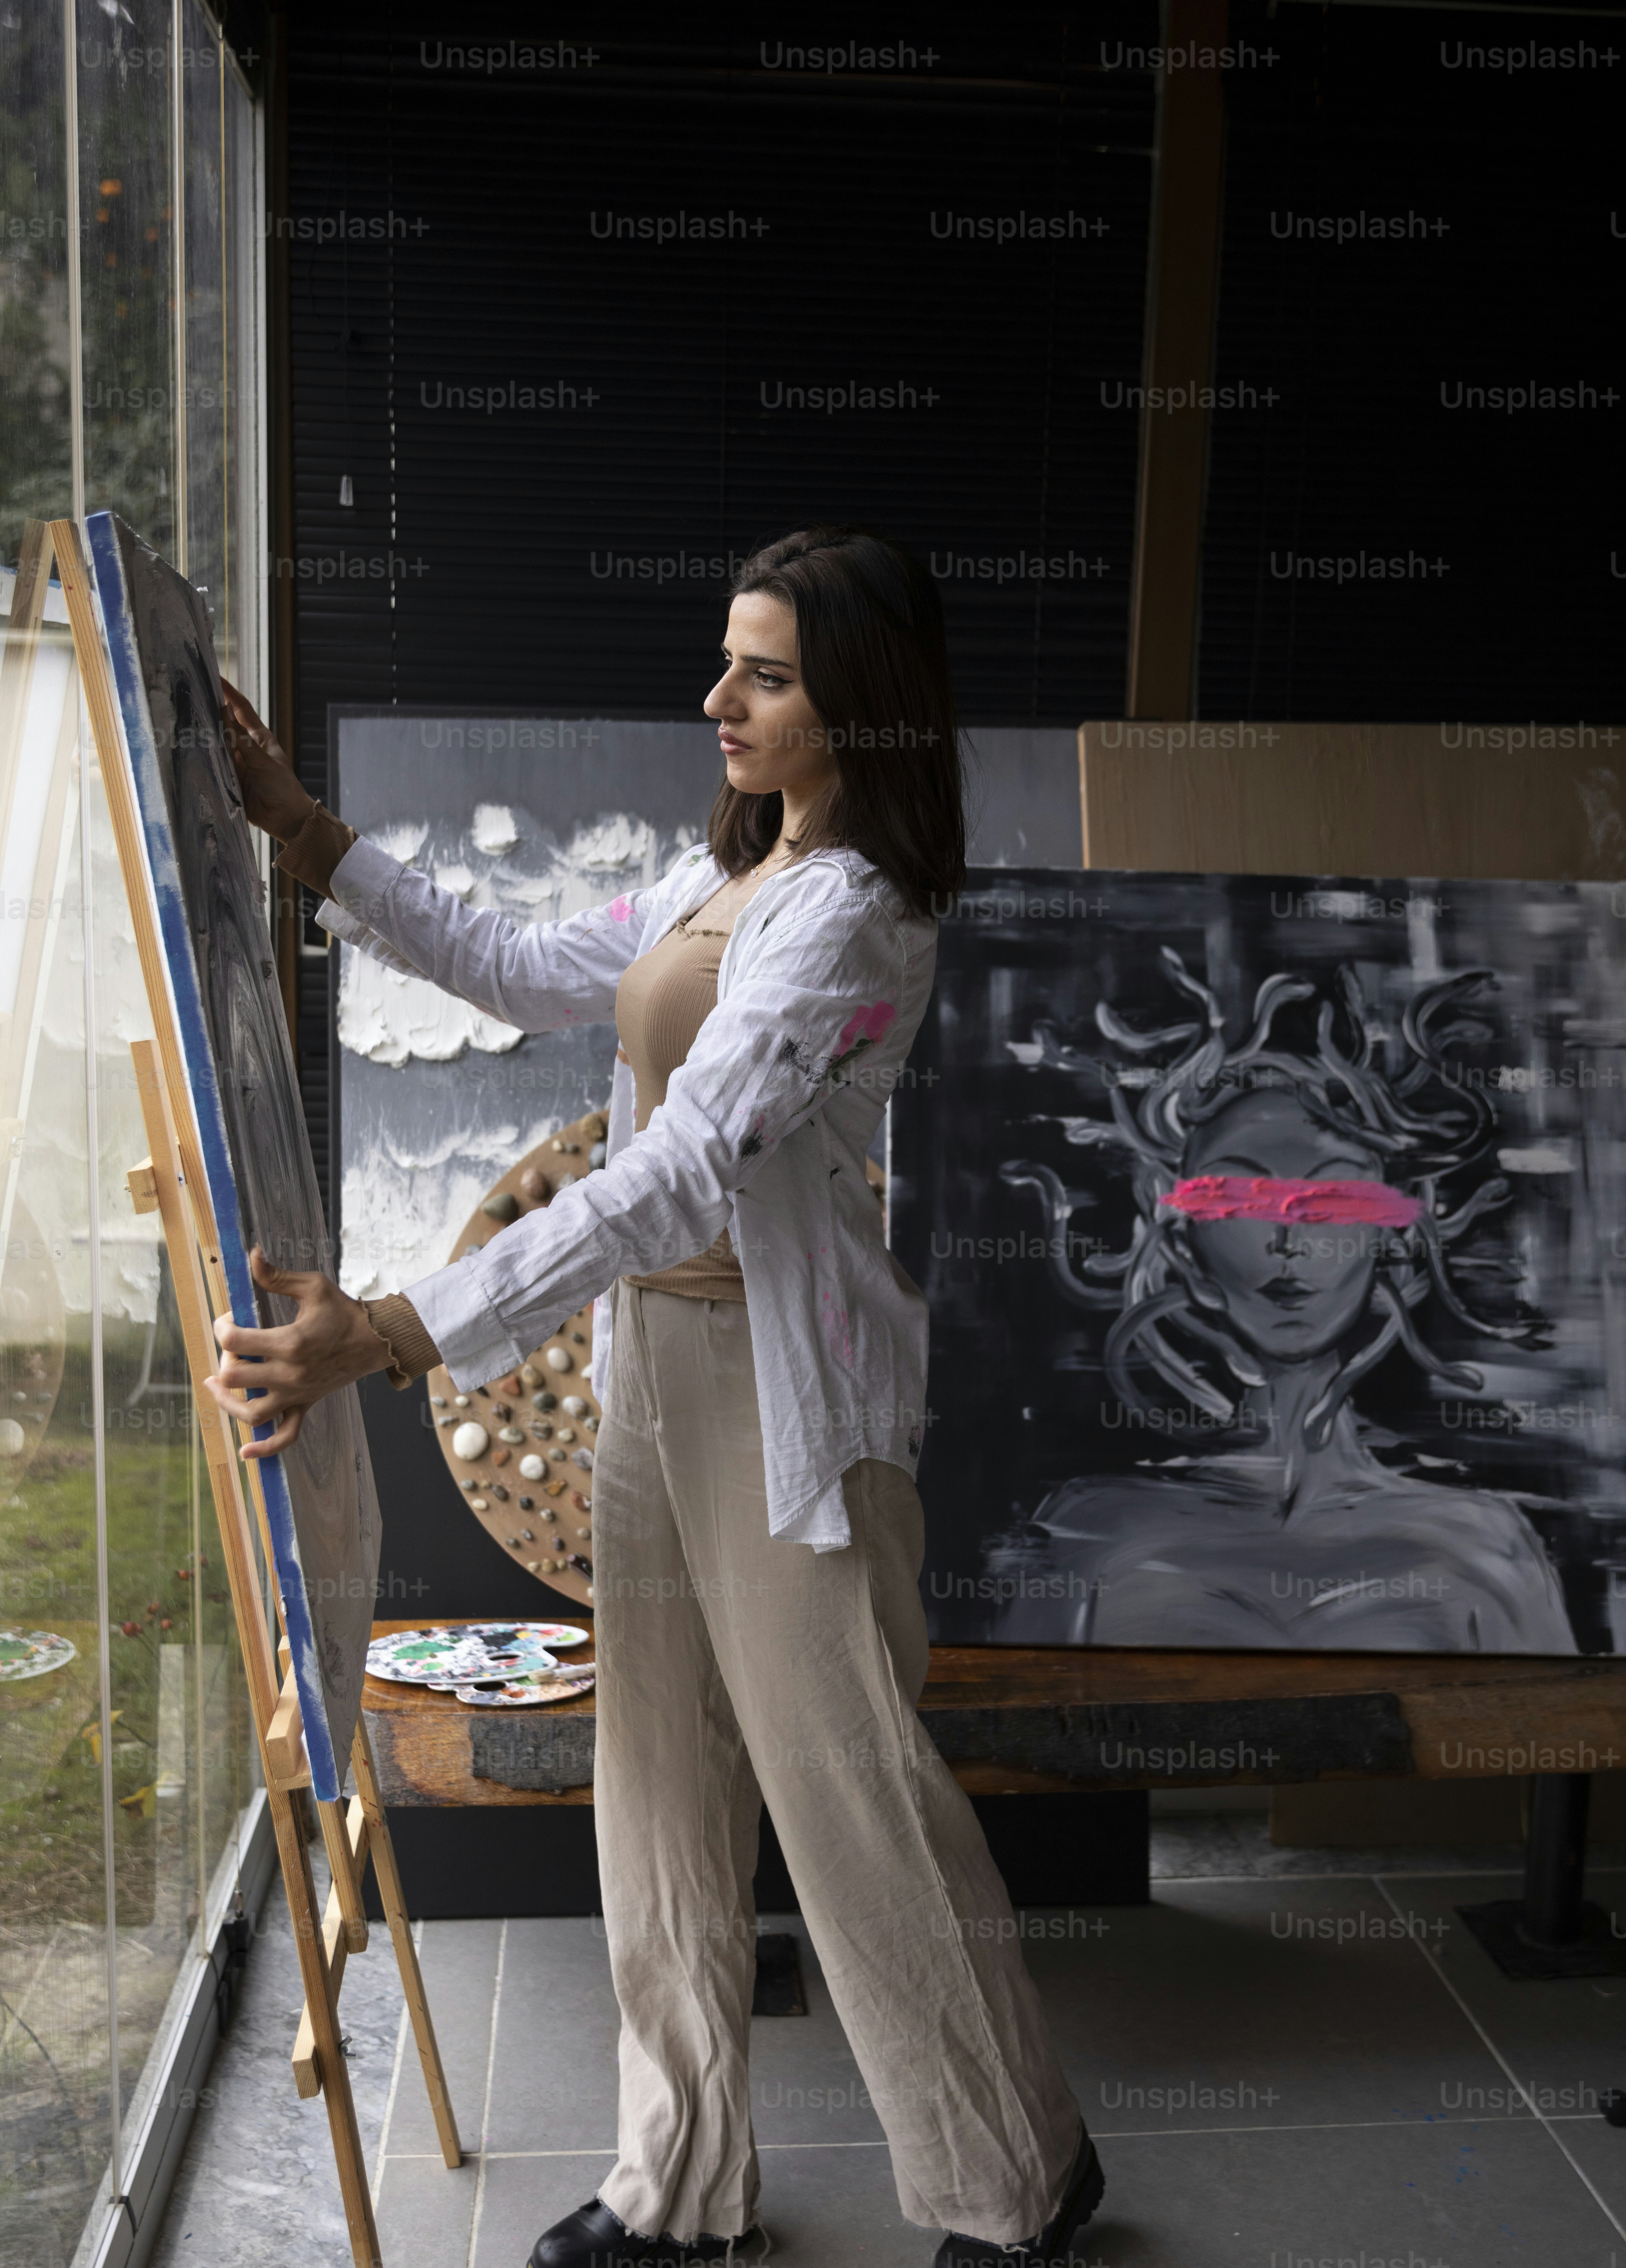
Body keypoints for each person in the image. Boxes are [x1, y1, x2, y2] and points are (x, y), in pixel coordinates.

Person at [209, 527, 1103, 2268]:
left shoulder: (850, 910)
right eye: (728, 660)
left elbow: (689, 1172)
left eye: (764, 672)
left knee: (850, 1797)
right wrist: (302, 832)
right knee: (661, 1786)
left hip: (782, 1397)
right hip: (656, 1379)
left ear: (862, 698)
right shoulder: (739, 882)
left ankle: (1021, 2176)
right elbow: (524, 958)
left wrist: (396, 1325)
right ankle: (677, 2181)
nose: (719, 698)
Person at [989, 955, 1578, 1652]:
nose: (1288, 1240)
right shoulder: (1088, 1537)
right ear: (1182, 1242)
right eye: (1236, 1196)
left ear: (1397, 1234)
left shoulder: (1488, 1552)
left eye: (1335, 1197)